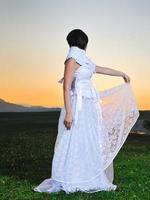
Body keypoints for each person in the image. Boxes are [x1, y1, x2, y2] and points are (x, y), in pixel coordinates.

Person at [33, 29, 140, 193]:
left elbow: (101, 69)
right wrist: (69, 113)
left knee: (89, 139)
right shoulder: (71, 60)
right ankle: (71, 176)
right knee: (74, 138)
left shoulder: (84, 59)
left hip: (89, 106)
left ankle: (89, 175)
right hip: (77, 105)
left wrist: (121, 73)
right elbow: (66, 87)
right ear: (83, 42)